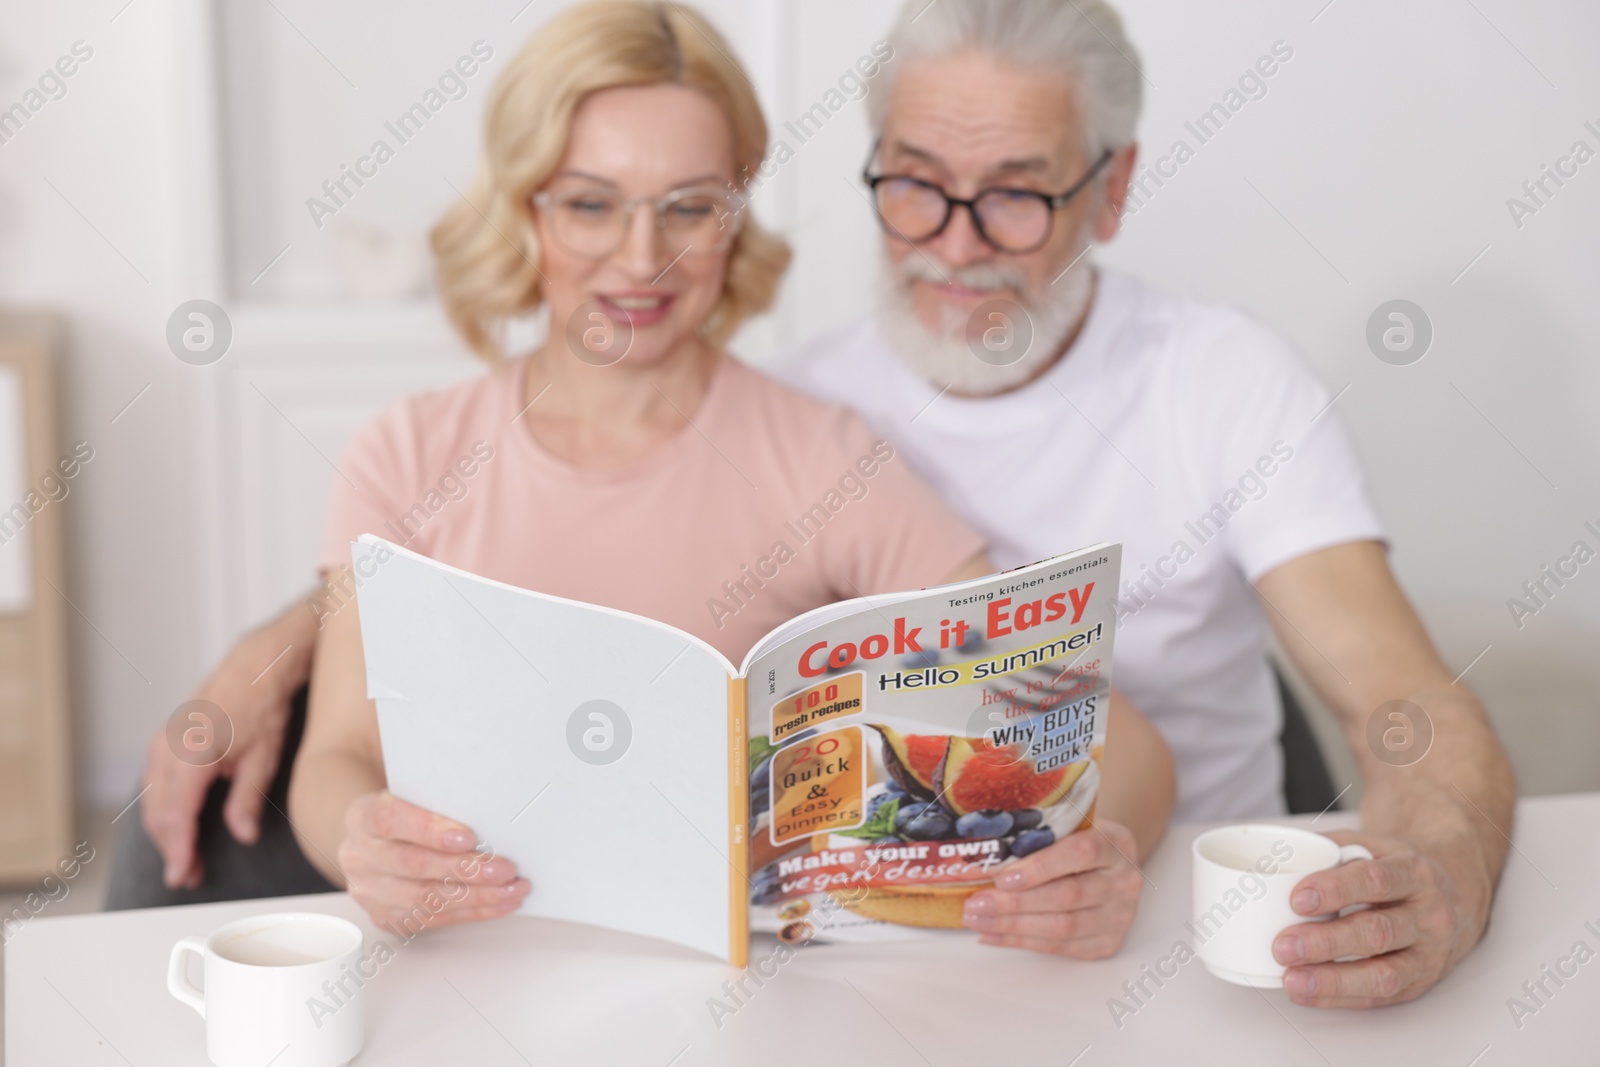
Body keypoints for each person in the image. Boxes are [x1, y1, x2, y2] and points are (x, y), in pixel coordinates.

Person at [121, 0, 1517, 1007]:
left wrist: (1099, 830)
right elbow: (351, 738)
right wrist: (323, 743)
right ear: (526, 208)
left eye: (690, 206)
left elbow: (1104, 723)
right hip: (480, 989)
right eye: (590, 201)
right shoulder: (423, 445)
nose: (639, 257)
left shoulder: (835, 440)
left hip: (839, 990)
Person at [768, 0, 1515, 1009]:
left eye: (1015, 194)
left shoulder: (1223, 381)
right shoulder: (798, 408)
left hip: (1200, 940)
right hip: (897, 957)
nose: (951, 245)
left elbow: (1403, 699)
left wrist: (1441, 876)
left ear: (1111, 189)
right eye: (913, 183)